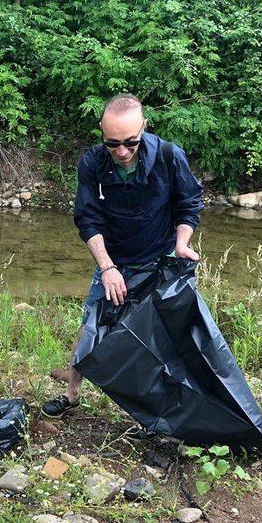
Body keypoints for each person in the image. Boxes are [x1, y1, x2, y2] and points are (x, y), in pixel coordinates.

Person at [43, 93, 204, 419]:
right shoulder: (92, 163)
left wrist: (182, 244)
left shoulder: (170, 156)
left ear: (144, 127)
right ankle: (71, 393)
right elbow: (88, 219)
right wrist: (107, 267)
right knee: (93, 324)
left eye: (130, 142)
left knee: (166, 338)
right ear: (102, 132)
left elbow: (188, 204)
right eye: (112, 143)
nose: (121, 151)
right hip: (114, 262)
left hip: (160, 261)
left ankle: (173, 407)